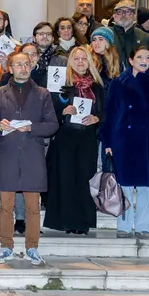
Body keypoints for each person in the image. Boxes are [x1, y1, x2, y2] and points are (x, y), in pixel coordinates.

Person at [0, 51, 58, 265]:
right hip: (7, 154)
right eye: (18, 64)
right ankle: (6, 246)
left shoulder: (43, 94)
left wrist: (32, 127)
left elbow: (52, 124)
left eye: (26, 64)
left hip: (32, 154)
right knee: (6, 206)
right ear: (10, 68)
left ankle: (32, 247)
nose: (23, 68)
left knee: (33, 207)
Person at [101, 47, 149, 238]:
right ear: (131, 60)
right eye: (140, 57)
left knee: (146, 186)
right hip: (123, 139)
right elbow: (111, 113)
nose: (144, 60)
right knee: (124, 184)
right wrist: (107, 139)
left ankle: (143, 225)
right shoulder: (118, 83)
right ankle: (123, 225)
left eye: (147, 57)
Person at [44, 46, 104, 235]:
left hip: (87, 138)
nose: (80, 62)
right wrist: (62, 112)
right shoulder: (60, 84)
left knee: (84, 178)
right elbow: (47, 110)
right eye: (76, 58)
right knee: (65, 178)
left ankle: (82, 222)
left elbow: (106, 111)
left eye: (83, 59)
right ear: (70, 61)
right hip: (65, 137)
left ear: (90, 62)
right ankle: (65, 221)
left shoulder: (97, 86)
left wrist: (97, 118)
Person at [109, 0, 149, 72]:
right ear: (114, 16)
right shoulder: (106, 35)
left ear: (134, 15)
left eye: (128, 11)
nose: (123, 15)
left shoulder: (144, 37)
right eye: (119, 12)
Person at [89, 27, 120, 92]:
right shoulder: (88, 60)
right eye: (94, 40)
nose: (96, 43)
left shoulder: (117, 62)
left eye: (100, 39)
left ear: (108, 42)